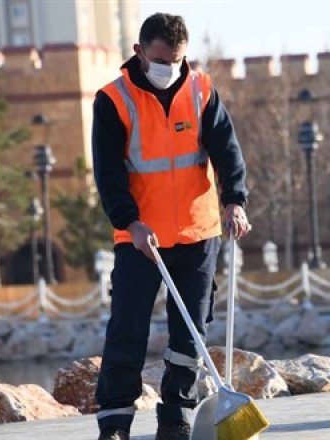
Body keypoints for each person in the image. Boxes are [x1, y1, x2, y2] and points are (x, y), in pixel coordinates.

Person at [91, 12, 250, 440]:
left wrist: (235, 201)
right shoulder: (113, 100)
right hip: (140, 238)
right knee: (127, 330)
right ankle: (115, 423)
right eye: (161, 61)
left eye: (177, 60)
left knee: (190, 333)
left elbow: (227, 151)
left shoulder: (201, 90)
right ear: (139, 52)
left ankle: (176, 416)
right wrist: (130, 223)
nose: (170, 68)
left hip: (199, 234)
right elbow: (108, 173)